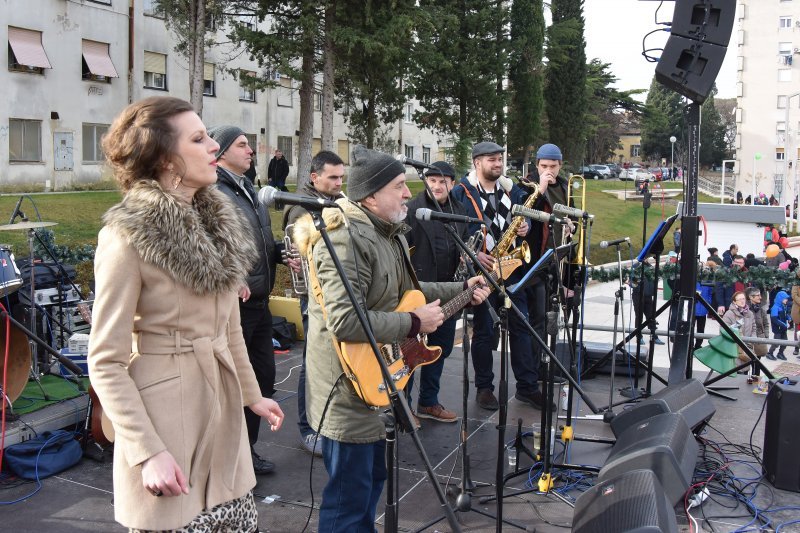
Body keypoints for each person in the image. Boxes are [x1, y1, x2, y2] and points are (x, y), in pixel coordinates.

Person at [88, 96, 284, 532]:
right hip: (166, 422)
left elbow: (228, 329)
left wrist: (252, 397)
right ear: (164, 160)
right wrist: (147, 451)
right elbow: (105, 362)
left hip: (224, 412)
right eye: (198, 138)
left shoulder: (216, 224)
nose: (213, 145)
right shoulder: (126, 237)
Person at [294, 145, 489, 532]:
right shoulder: (344, 239)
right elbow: (347, 322)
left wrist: (461, 287)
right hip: (348, 389)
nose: (407, 193)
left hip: (379, 384)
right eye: (399, 185)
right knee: (349, 500)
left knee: (373, 485)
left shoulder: (389, 232)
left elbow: (411, 289)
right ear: (370, 195)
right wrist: (414, 323)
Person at [452, 141, 552, 411]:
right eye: (491, 160)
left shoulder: (511, 190)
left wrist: (526, 225)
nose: (498, 164)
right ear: (477, 163)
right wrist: (472, 254)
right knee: (484, 331)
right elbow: (454, 230)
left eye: (500, 159)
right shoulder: (461, 193)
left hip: (511, 269)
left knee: (522, 326)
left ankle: (527, 387)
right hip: (484, 274)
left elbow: (526, 218)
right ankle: (484, 388)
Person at [209, 125, 283, 476]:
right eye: (242, 145)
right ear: (221, 152)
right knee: (234, 383)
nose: (250, 150)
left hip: (259, 300)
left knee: (262, 379)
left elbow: (257, 242)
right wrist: (230, 275)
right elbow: (209, 244)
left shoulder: (249, 188)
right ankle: (232, 455)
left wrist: (281, 253)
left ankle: (247, 450)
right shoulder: (214, 191)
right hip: (235, 304)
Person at [282, 150, 346, 455]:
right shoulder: (301, 209)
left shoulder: (337, 201)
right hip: (315, 300)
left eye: (341, 177)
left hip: (337, 296)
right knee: (312, 364)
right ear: (314, 177)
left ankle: (333, 423)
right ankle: (308, 429)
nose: (338, 182)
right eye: (332, 177)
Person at [404, 161, 469, 423]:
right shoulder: (411, 210)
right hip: (417, 292)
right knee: (408, 352)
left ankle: (428, 402)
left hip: (448, 292)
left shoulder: (459, 209)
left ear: (452, 184)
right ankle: (403, 407)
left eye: (443, 181)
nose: (437, 185)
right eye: (432, 180)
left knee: (440, 348)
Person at [722, 291, 757, 371]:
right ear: (734, 302)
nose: (742, 301)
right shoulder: (729, 314)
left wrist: (753, 339)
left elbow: (754, 327)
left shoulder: (750, 313)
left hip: (747, 348)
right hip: (734, 349)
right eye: (740, 299)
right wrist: (739, 324)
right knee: (734, 373)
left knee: (744, 374)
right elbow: (723, 331)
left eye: (743, 299)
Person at [747, 286, 770, 372]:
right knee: (745, 365)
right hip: (748, 340)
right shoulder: (746, 309)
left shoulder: (761, 310)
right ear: (751, 297)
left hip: (759, 340)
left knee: (757, 365)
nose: (760, 297)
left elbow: (766, 324)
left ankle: (755, 382)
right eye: (758, 295)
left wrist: (765, 336)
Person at [768, 290, 790, 361]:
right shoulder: (775, 308)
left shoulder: (783, 306)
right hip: (777, 329)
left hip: (783, 328)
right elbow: (774, 319)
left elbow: (785, 315)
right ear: (780, 299)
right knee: (776, 343)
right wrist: (783, 324)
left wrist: (789, 318)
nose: (786, 300)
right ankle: (770, 353)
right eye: (785, 298)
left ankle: (780, 353)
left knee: (785, 342)